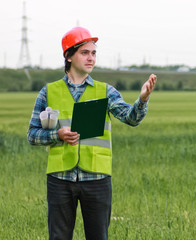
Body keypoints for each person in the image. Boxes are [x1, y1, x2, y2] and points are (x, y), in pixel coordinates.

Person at [27, 26, 157, 240]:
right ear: (68, 56)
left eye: (94, 53)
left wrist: (142, 99)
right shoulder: (48, 92)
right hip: (60, 178)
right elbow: (32, 135)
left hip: (97, 178)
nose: (91, 58)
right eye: (85, 52)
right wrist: (57, 135)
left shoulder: (105, 91)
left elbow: (130, 118)